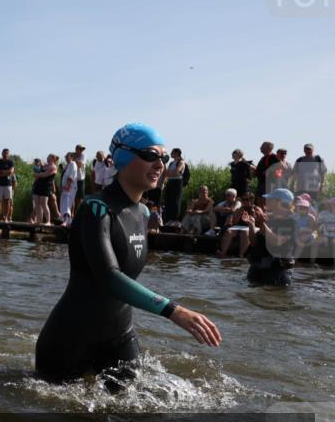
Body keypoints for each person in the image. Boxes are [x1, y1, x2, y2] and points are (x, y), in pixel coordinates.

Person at [35, 123, 221, 388]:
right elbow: (108, 277)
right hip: (70, 340)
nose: (160, 164)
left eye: (164, 158)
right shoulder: (95, 209)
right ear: (122, 157)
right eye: (150, 155)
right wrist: (174, 311)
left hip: (120, 336)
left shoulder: (143, 214)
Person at [246, 188, 297, 285]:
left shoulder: (291, 222)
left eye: (271, 199)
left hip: (278, 269)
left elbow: (276, 241)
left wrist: (262, 224)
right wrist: (251, 224)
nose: (267, 201)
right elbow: (253, 242)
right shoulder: (268, 217)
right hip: (259, 266)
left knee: (274, 296)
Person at [163, 148, 187, 223]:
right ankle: (168, 219)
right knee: (168, 201)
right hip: (170, 182)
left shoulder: (181, 162)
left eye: (172, 152)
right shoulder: (171, 163)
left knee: (175, 202)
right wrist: (172, 173)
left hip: (177, 183)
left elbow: (177, 172)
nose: (170, 154)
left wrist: (171, 173)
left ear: (176, 153)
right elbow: (165, 174)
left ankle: (174, 220)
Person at [31, 155, 56, 225]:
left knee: (44, 204)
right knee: (37, 204)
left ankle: (48, 221)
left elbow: (45, 175)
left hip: (46, 187)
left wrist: (37, 174)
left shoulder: (53, 167)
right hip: (38, 186)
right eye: (47, 157)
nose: (48, 159)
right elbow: (39, 172)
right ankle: (38, 221)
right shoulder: (44, 166)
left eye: (49, 158)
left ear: (53, 159)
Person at [0, 149, 16, 222]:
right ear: (2, 153)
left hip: (8, 184)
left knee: (7, 201)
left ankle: (6, 217)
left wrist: (1, 172)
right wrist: (5, 172)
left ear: (9, 154)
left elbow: (11, 171)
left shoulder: (10, 162)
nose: (5, 154)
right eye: (4, 153)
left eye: (7, 153)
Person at [255, 141, 279, 206]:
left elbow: (279, 165)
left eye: (262, 146)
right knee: (259, 201)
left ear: (269, 148)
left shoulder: (273, 157)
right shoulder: (263, 158)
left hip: (269, 183)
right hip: (261, 183)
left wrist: (268, 170)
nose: (260, 147)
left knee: (266, 201)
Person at [311, 197, 335, 263]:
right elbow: (317, 224)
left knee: (334, 243)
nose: (331, 206)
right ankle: (312, 261)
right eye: (330, 204)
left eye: (332, 204)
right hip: (324, 234)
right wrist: (316, 231)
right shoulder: (323, 213)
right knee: (315, 243)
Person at [59, 151, 77, 226]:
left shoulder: (73, 164)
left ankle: (66, 220)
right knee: (64, 203)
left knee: (67, 204)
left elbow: (71, 176)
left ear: (72, 157)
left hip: (70, 187)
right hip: (65, 187)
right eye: (65, 156)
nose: (66, 157)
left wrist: (68, 185)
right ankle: (67, 221)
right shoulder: (68, 165)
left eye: (67, 156)